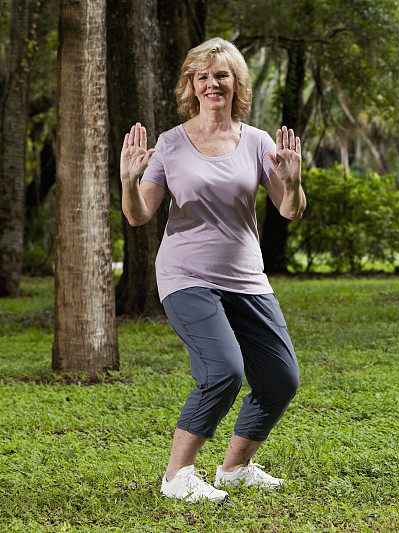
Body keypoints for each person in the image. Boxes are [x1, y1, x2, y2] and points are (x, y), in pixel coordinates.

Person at [119, 37, 305, 503]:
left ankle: (236, 468)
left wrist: (294, 181)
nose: (212, 83)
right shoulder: (171, 144)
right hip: (186, 276)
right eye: (202, 76)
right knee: (223, 369)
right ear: (191, 86)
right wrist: (127, 180)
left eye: (221, 75)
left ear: (236, 82)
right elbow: (139, 215)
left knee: (281, 378)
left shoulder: (258, 141)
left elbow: (288, 210)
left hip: (246, 276)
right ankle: (176, 476)